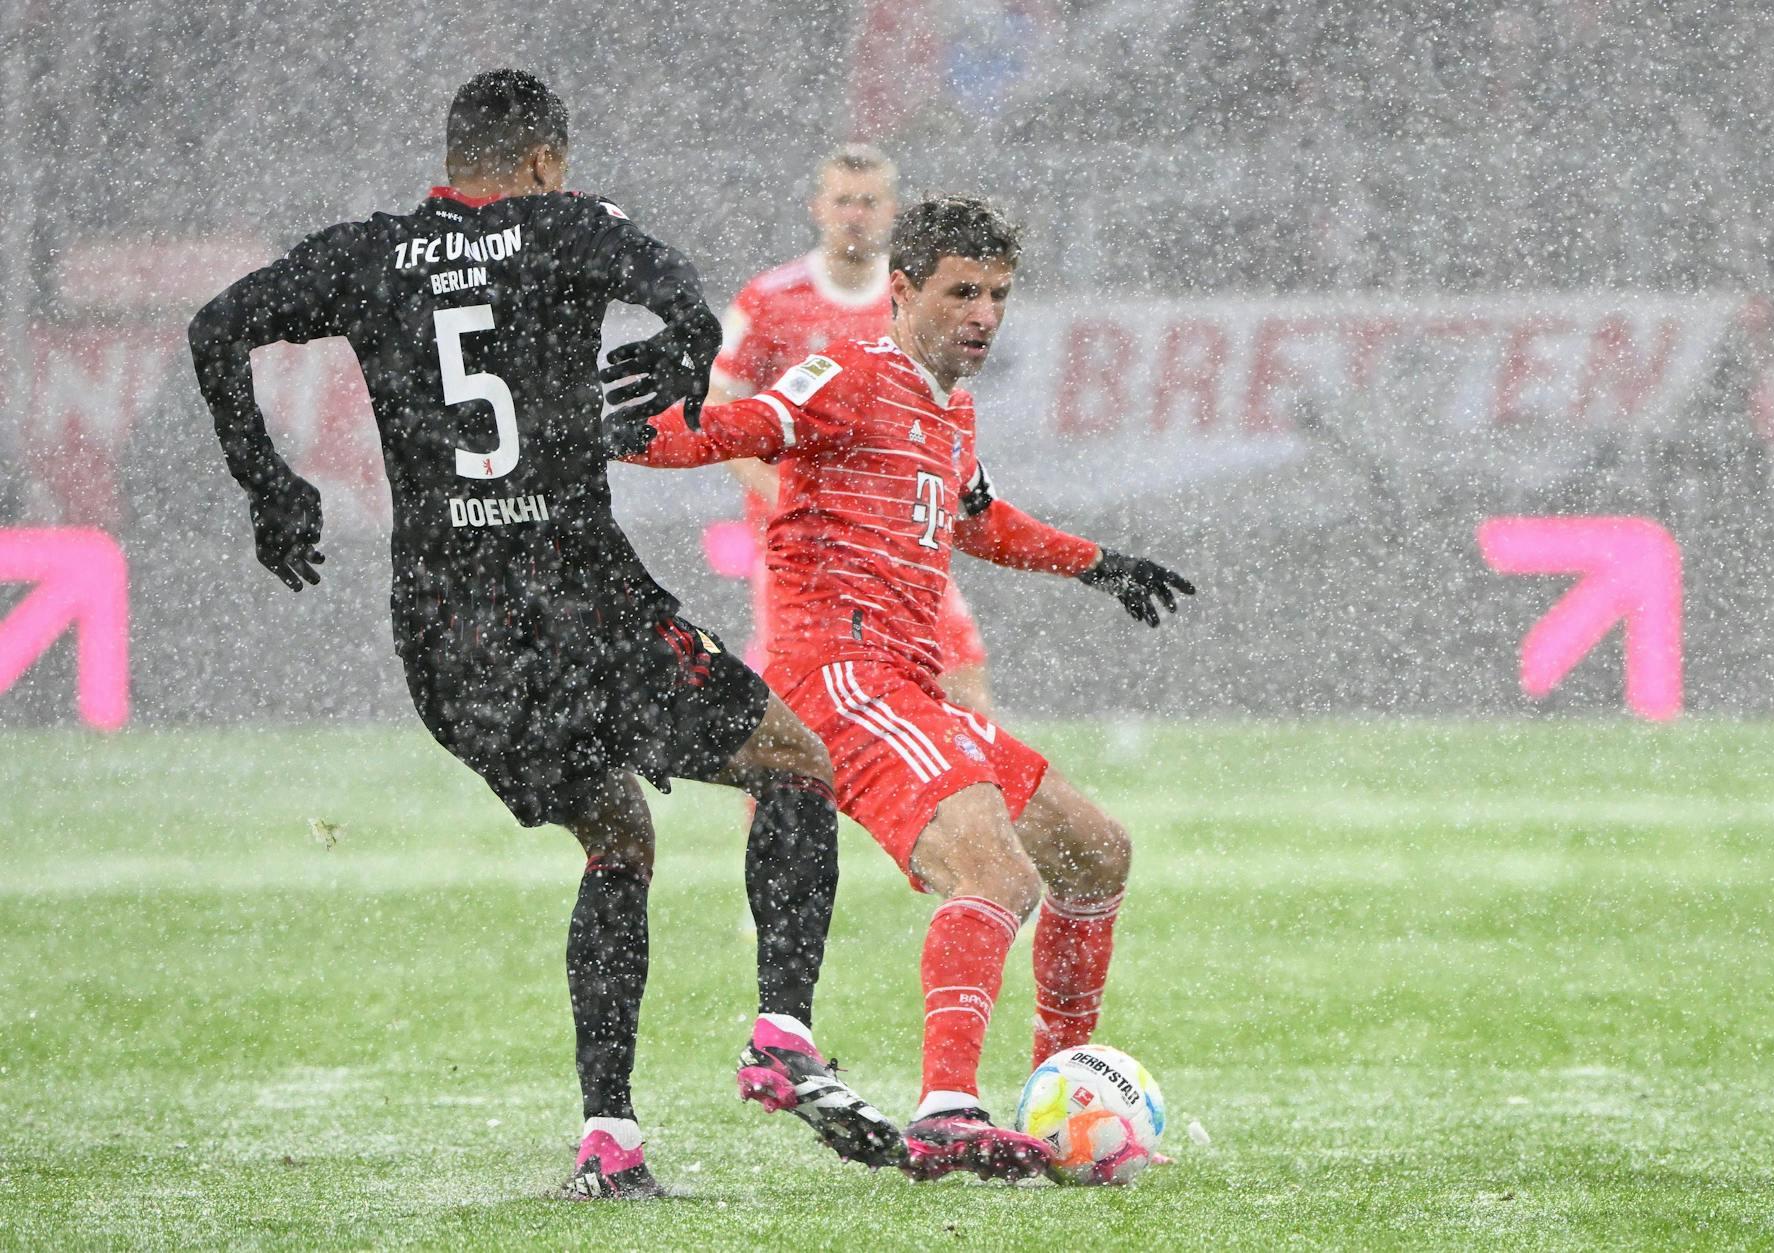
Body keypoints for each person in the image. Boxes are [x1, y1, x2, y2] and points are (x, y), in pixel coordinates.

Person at [186, 69, 902, 1200]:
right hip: (576, 596)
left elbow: (216, 327)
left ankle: (608, 1137)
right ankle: (780, 1032)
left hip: (447, 629)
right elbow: (677, 290)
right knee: (794, 761)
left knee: (617, 834)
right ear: (541, 162)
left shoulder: (371, 253)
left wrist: (267, 484)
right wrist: (681, 352)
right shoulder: (563, 227)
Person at [608, 196, 1195, 1180]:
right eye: (962, 292)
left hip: (908, 683)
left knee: (1095, 852)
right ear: (904, 289)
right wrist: (609, 431)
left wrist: (1098, 563)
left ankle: (1055, 1091)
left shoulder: (949, 406)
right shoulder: (848, 373)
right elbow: (731, 428)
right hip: (839, 675)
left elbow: (976, 517)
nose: (983, 314)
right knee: (997, 874)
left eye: (998, 294)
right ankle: (947, 1112)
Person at [708, 144, 996, 715]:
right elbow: (719, 414)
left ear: (892, 211)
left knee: (961, 687)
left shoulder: (915, 302)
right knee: (804, 707)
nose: (855, 215)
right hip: (802, 548)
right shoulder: (770, 301)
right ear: (818, 207)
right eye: (843, 201)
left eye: (868, 202)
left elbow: (941, 412)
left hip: (899, 539)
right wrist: (792, 497)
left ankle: (967, 776)